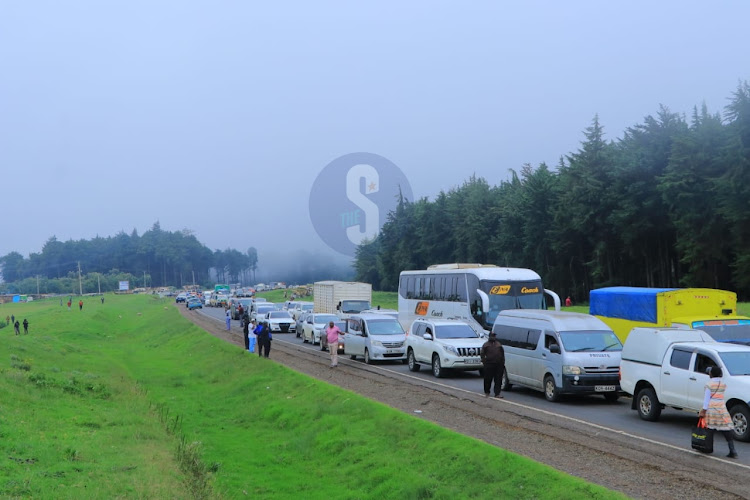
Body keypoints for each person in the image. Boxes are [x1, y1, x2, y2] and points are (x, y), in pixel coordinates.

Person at [699, 366, 738, 458]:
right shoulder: (723, 384)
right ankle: (732, 450)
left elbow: (706, 399)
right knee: (726, 429)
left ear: (711, 374)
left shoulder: (709, 384)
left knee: (710, 429)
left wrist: (703, 411)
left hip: (712, 408)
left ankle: (707, 448)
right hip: (721, 408)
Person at [480, 331, 505, 398]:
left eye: (494, 336)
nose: (493, 337)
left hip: (498, 364)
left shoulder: (498, 345)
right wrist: (484, 362)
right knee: (488, 379)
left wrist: (502, 363)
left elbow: (502, 354)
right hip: (489, 364)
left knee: (498, 379)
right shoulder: (486, 345)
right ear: (489, 336)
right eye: (492, 336)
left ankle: (497, 393)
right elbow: (482, 354)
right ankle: (487, 392)